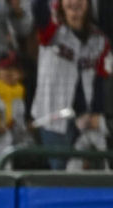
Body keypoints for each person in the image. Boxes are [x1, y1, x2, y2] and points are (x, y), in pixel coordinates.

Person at [31, 0, 111, 170]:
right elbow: (38, 8)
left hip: (85, 119)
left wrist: (96, 113)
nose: (74, 2)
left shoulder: (100, 40)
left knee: (91, 174)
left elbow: (100, 79)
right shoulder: (52, 31)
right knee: (61, 175)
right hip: (53, 117)